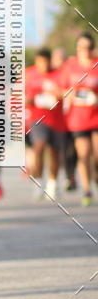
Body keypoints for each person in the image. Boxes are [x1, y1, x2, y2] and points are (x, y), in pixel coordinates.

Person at [57, 33, 98, 206]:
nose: (85, 51)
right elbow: (59, 89)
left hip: (96, 116)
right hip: (77, 119)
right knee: (83, 154)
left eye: (88, 48)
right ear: (77, 48)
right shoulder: (70, 65)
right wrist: (69, 94)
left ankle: (95, 176)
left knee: (97, 155)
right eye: (81, 47)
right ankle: (87, 189)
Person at [25, 48, 64, 201]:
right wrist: (34, 98)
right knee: (39, 146)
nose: (42, 65)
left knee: (55, 152)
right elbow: (24, 96)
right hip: (37, 118)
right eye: (39, 62)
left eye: (45, 62)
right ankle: (38, 181)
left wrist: (55, 93)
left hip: (56, 119)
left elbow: (67, 92)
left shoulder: (59, 74)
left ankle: (52, 184)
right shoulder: (30, 74)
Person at [51, 47, 77, 191]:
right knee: (64, 149)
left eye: (60, 58)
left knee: (73, 149)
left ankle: (71, 176)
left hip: (73, 116)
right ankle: (69, 177)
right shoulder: (52, 74)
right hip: (57, 119)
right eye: (55, 58)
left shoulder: (70, 71)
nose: (57, 62)